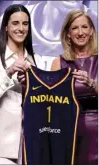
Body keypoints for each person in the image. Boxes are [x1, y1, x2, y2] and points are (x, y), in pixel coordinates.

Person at [51, 10, 98, 165]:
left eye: (84, 27)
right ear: (68, 34)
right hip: (70, 132)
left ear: (91, 31)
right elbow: (51, 104)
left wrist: (92, 84)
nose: (80, 32)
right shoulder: (58, 62)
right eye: (75, 28)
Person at [0, 4, 36, 164]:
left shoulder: (37, 61)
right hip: (3, 148)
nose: (21, 28)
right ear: (6, 27)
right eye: (15, 23)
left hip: (31, 146)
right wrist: (8, 72)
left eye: (25, 23)